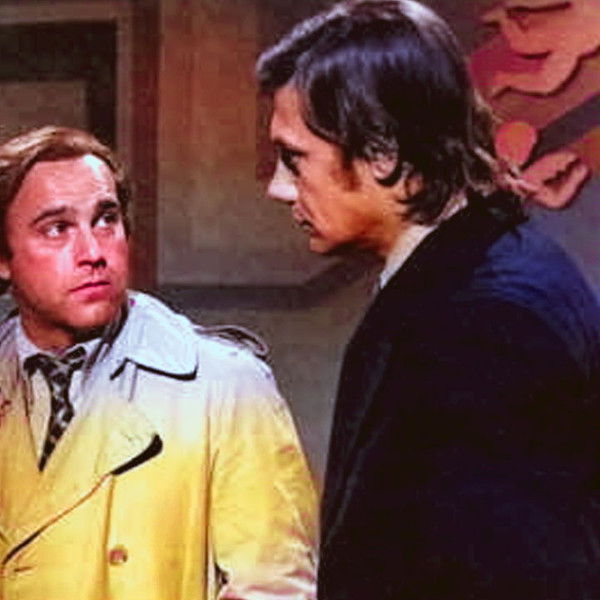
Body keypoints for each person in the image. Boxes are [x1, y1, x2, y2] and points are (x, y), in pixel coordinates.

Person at [257, 1, 600, 597]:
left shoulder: (485, 325)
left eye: (295, 158)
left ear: (384, 154)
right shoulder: (467, 274)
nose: (278, 187)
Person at [0, 126, 317, 600]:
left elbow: (274, 589)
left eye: (106, 220)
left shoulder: (226, 386)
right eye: (57, 228)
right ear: (3, 258)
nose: (93, 253)